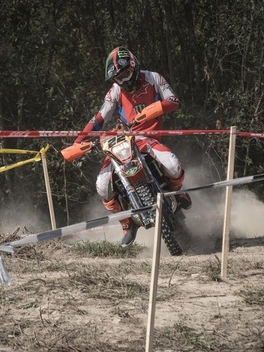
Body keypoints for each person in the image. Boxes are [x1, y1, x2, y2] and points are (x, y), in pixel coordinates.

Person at [75, 46, 191, 246]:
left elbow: (173, 101)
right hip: (124, 140)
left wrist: (155, 108)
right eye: (119, 78)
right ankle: (127, 222)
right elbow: (99, 118)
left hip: (148, 138)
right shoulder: (116, 91)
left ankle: (177, 191)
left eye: (126, 75)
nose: (124, 81)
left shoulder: (153, 78)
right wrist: (78, 141)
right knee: (102, 186)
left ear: (134, 66)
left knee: (173, 165)